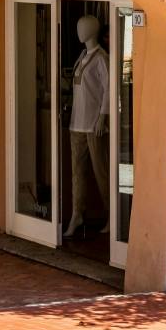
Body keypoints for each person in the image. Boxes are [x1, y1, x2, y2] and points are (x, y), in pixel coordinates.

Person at [64, 14, 111, 241]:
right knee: (77, 173)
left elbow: (109, 90)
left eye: (84, 28)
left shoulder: (101, 58)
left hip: (94, 125)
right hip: (77, 124)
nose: (79, 32)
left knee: (102, 171)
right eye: (78, 27)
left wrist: (102, 117)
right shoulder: (82, 56)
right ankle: (77, 213)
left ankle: (113, 214)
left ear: (93, 30)